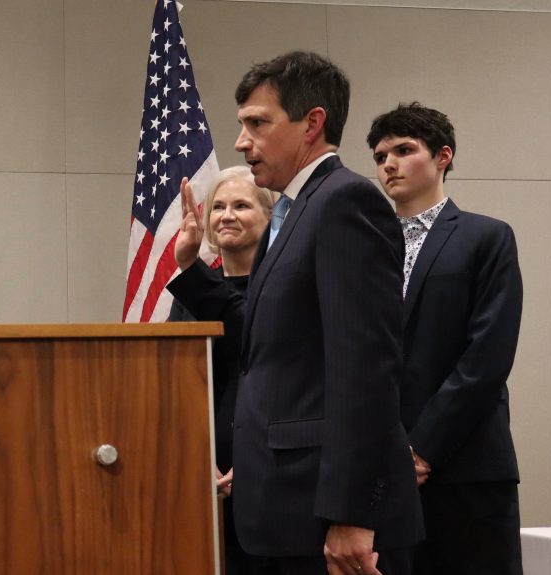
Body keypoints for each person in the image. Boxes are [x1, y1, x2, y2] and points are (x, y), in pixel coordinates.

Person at [167, 51, 422, 575]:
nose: (242, 142)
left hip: (329, 519)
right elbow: (260, 340)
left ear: (312, 124)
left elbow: (365, 368)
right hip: (283, 511)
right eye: (242, 125)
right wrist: (192, 270)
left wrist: (352, 513)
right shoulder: (289, 212)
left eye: (257, 124)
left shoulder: (345, 202)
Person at [367, 102, 523, 575]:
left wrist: (423, 448)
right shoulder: (363, 246)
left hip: (466, 465)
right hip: (379, 472)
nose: (388, 164)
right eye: (379, 156)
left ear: (443, 156)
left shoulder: (486, 237)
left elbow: (487, 356)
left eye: (403, 149)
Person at [167, 166, 275, 574]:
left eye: (241, 205)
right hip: (200, 472)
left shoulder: (281, 287)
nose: (226, 215)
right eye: (218, 207)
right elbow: (175, 378)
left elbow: (256, 343)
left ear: (270, 218)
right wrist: (197, 456)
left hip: (266, 472)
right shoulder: (194, 288)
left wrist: (244, 464)